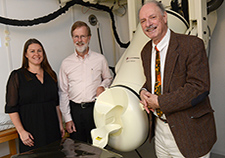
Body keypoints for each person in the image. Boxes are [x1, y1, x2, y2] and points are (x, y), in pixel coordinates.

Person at [139, 1, 216, 158]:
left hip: (190, 132)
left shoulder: (191, 45)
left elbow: (198, 87)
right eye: (143, 21)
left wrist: (160, 102)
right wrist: (144, 91)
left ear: (164, 17)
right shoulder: (146, 51)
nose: (148, 24)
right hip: (160, 131)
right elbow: (153, 81)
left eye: (152, 17)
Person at [5, 38, 65, 153]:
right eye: (32, 51)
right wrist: (21, 132)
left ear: (43, 53)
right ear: (26, 54)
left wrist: (60, 125)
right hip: (31, 131)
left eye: (39, 51)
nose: (36, 54)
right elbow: (11, 108)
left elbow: (56, 104)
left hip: (52, 128)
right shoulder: (17, 76)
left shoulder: (51, 75)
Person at [58, 21, 112, 144]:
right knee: (77, 148)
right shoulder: (66, 63)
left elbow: (108, 78)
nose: (79, 40)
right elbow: (63, 92)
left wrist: (102, 86)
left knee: (97, 146)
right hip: (75, 111)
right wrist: (68, 119)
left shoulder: (100, 59)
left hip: (95, 109)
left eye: (83, 36)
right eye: (76, 36)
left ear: (89, 38)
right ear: (72, 38)